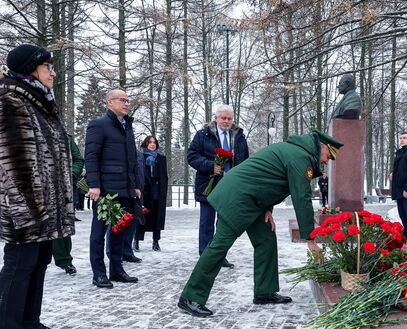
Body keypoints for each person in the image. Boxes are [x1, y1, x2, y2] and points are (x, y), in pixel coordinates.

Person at [178, 130, 343, 317]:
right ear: (321, 147)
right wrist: (310, 239)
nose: (326, 162)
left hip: (254, 200)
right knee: (219, 245)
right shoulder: (300, 157)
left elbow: (269, 179)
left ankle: (265, 292)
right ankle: (191, 297)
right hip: (238, 197)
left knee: (266, 239)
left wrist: (267, 209)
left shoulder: (296, 152)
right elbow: (301, 198)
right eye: (328, 156)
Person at [0, 44, 74, 329]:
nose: (53, 72)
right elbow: (16, 160)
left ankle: (28, 323)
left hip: (43, 205)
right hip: (24, 204)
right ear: (30, 69)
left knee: (37, 262)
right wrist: (30, 208)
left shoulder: (37, 101)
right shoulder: (10, 100)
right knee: (19, 264)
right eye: (47, 66)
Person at [85, 89, 141, 288]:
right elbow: (91, 157)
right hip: (106, 191)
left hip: (125, 189)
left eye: (128, 100)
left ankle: (116, 270)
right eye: (122, 100)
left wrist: (135, 185)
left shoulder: (127, 127)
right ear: (110, 102)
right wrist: (94, 185)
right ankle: (98, 273)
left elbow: (132, 160)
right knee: (99, 233)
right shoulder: (98, 125)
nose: (126, 103)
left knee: (119, 231)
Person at [187, 104, 249, 268]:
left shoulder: (239, 136)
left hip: (231, 186)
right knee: (206, 222)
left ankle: (220, 256)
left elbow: (245, 160)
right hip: (209, 183)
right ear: (216, 118)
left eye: (229, 118)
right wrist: (210, 166)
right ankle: (206, 256)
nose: (227, 121)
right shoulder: (203, 134)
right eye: (223, 118)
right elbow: (191, 156)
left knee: (224, 224)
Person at [52, 135, 84, 276]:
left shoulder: (65, 137)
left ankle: (65, 261)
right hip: (36, 187)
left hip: (61, 187)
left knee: (61, 225)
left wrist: (71, 174)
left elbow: (78, 159)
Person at [134, 135, 168, 251]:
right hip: (144, 191)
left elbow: (164, 177)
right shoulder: (140, 157)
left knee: (157, 217)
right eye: (150, 142)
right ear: (146, 144)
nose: (152, 144)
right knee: (141, 215)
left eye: (154, 142)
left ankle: (156, 241)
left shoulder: (161, 158)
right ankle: (137, 240)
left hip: (156, 192)